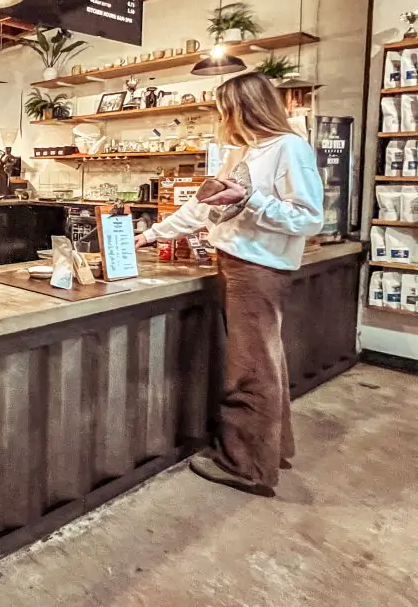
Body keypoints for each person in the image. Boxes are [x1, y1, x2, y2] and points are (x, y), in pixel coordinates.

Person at [134, 72, 323, 497]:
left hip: (258, 270)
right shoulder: (243, 151)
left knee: (248, 370)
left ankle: (246, 466)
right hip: (236, 266)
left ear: (244, 107)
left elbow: (310, 217)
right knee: (263, 363)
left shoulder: (289, 147)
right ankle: (272, 450)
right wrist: (151, 234)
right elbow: (202, 208)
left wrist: (248, 200)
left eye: (224, 109)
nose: (221, 118)